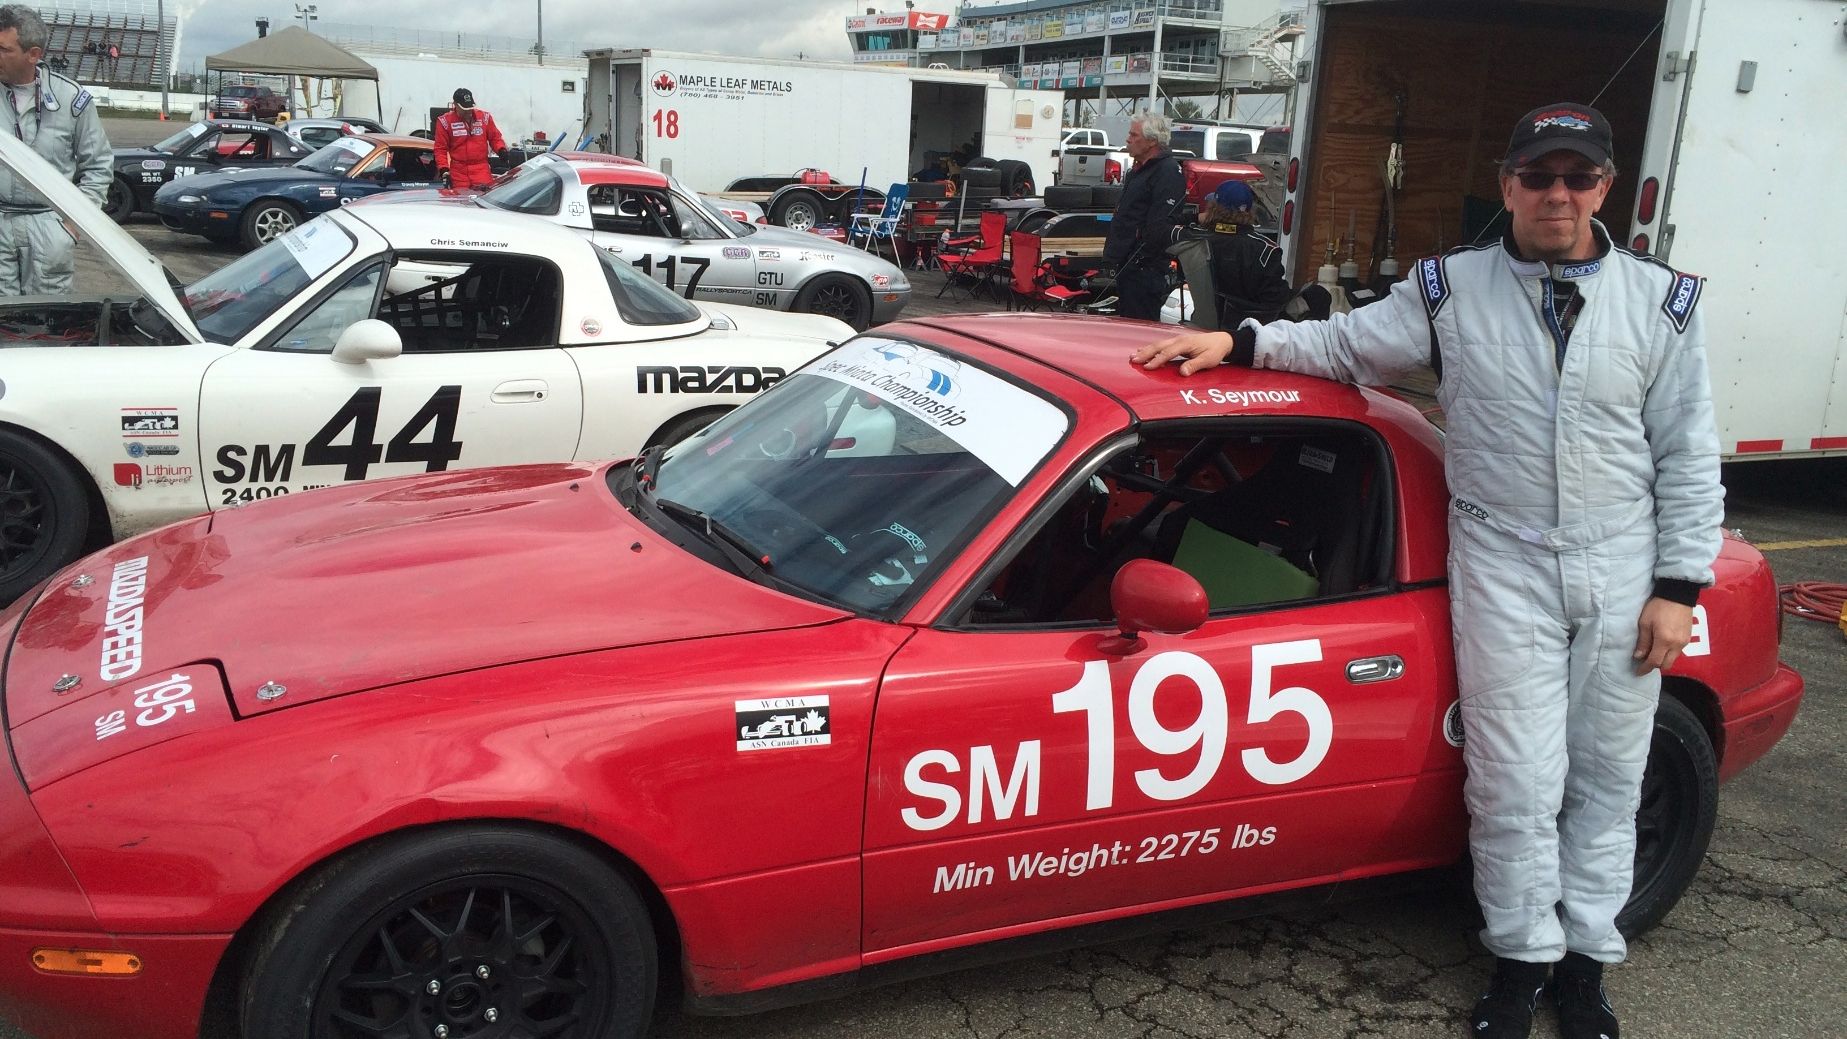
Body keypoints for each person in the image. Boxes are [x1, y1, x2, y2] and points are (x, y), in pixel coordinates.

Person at [1132, 102, 1722, 1039]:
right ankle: (1520, 961)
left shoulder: (1663, 302)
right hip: (1501, 559)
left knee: (1608, 777)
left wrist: (1678, 586)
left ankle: (1585, 966)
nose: (1557, 194)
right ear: (1507, 185)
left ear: (1605, 187)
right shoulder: (1449, 287)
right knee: (1512, 779)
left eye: (1577, 177)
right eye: (1538, 176)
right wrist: (1238, 341)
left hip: (1622, 562)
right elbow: (1344, 345)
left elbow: (1688, 455)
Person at [0, 3, 111, 296]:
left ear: (33, 54)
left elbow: (98, 166)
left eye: (3, 49)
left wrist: (72, 227)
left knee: (47, 316)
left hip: (49, 227)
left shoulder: (72, 100)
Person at [1102, 110, 1185, 320]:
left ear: (1151, 141)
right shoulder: (1137, 171)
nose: (1128, 139)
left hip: (1144, 269)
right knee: (1126, 323)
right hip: (1126, 265)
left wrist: (1139, 259)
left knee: (1139, 325)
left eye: (1134, 135)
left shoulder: (1167, 171)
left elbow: (1161, 223)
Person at [1179, 178, 1291, 327]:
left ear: (1213, 208)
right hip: (1248, 331)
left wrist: (1196, 217)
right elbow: (1276, 301)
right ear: (1250, 211)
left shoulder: (1193, 239)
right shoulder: (1267, 250)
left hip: (1203, 328)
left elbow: (1161, 226)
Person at [432, 87, 507, 191]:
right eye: (465, 109)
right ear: (455, 105)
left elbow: (495, 138)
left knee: (485, 197)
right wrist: (443, 169)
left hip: (481, 171)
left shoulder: (485, 117)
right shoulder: (444, 122)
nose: (469, 112)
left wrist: (501, 150)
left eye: (470, 108)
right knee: (461, 199)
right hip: (458, 174)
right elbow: (440, 149)